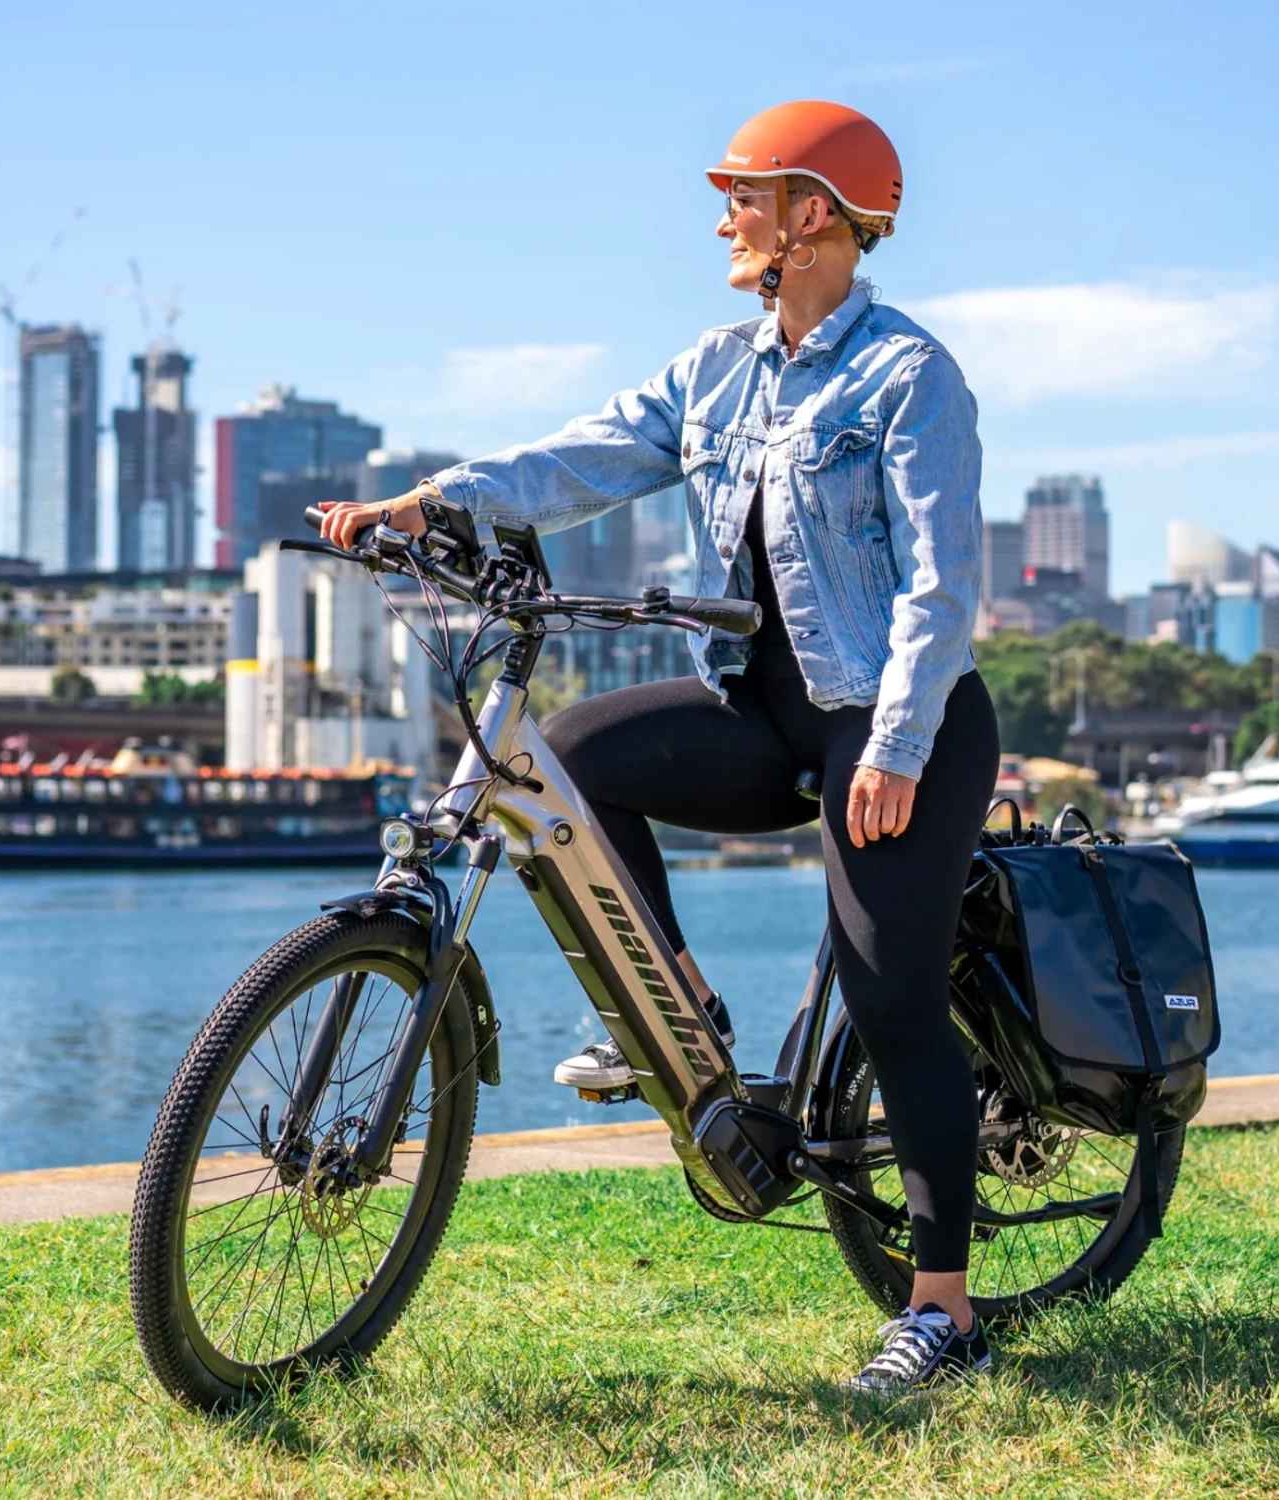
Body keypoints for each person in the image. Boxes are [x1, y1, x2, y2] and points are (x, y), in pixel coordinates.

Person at [322, 100, 1002, 1393]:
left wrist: (900, 743)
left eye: (746, 193)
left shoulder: (911, 376)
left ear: (813, 214)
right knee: (569, 755)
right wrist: (426, 503)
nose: (725, 215)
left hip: (901, 721)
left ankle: (944, 1311)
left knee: (889, 991)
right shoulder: (715, 369)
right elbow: (580, 460)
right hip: (763, 708)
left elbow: (941, 587)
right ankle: (674, 1010)